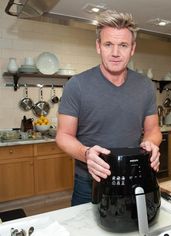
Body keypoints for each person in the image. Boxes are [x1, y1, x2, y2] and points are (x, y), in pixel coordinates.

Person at [56, 10, 162, 206]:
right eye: (108, 44)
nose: (115, 53)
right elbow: (63, 135)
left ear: (132, 49)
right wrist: (87, 154)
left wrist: (151, 144)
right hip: (89, 182)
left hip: (134, 177)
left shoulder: (145, 86)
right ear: (98, 46)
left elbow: (153, 130)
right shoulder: (77, 85)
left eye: (123, 45)